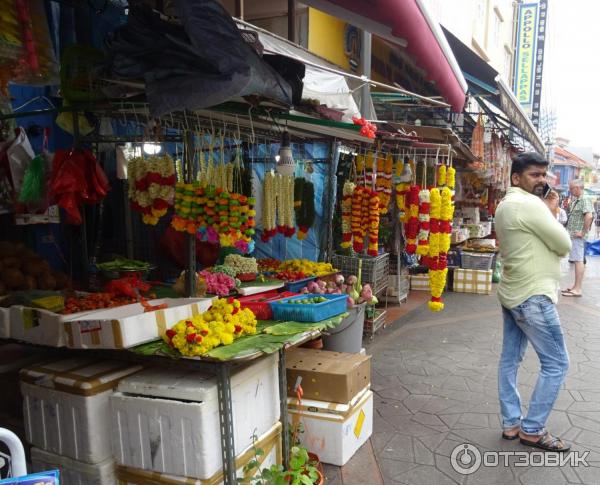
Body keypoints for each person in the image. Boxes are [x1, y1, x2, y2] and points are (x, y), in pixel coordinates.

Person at [495, 152, 572, 452]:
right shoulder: (529, 205)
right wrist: (550, 211)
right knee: (557, 363)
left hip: (515, 292)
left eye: (544, 175)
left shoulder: (506, 204)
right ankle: (532, 429)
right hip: (533, 297)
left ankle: (511, 423)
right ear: (517, 178)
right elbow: (564, 244)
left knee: (510, 360)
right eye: (534, 175)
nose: (542, 181)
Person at [562, 179, 594, 297]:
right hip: (574, 235)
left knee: (578, 261)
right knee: (577, 260)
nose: (570, 191)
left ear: (577, 188)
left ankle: (578, 289)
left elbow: (589, 216)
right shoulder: (579, 199)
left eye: (571, 188)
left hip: (577, 236)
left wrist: (583, 232)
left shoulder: (584, 199)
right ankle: (575, 286)